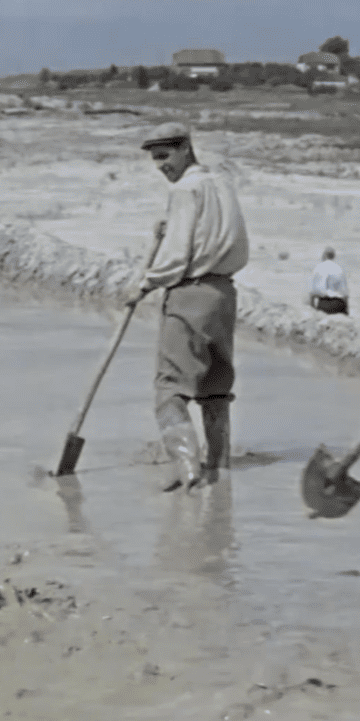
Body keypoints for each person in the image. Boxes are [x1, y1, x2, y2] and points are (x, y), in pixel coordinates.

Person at [118, 122, 249, 491]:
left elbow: (176, 256)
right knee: (215, 387)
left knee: (169, 388)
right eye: (155, 159)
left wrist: (143, 285)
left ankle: (188, 471)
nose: (161, 166)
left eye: (165, 156)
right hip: (224, 295)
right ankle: (219, 469)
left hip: (190, 294)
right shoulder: (221, 184)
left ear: (186, 150)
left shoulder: (185, 191)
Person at [308, 248, 349, 315]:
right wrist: (346, 311)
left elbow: (313, 291)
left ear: (325, 255)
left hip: (324, 304)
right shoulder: (339, 269)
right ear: (333, 256)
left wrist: (313, 309)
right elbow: (345, 293)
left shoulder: (318, 268)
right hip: (339, 304)